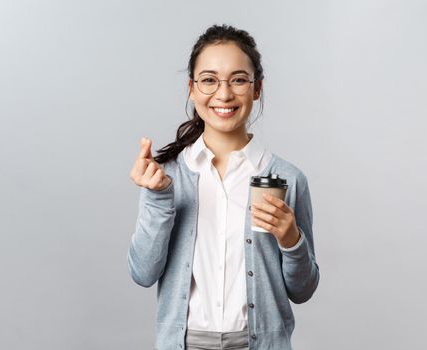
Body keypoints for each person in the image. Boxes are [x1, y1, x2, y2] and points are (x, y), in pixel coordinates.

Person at [128, 24, 320, 350]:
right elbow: (143, 273)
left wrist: (291, 240)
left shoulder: (288, 178)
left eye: (238, 79)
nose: (224, 93)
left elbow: (302, 290)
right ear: (191, 88)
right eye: (209, 80)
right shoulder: (166, 176)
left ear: (256, 88)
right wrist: (159, 199)